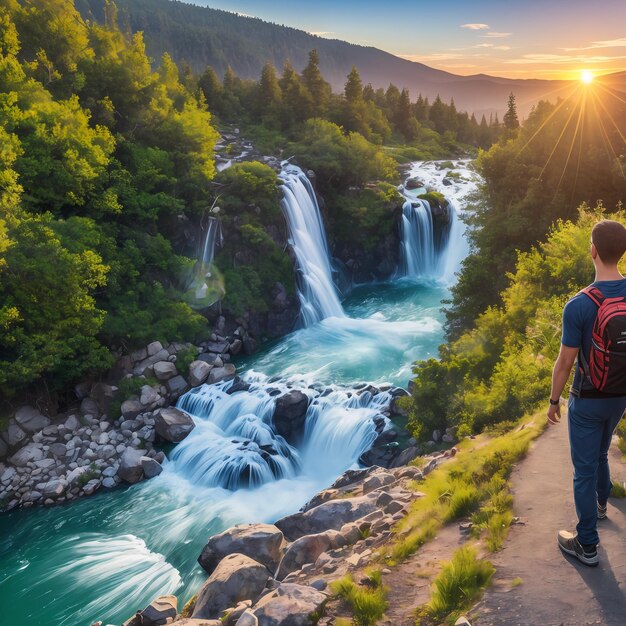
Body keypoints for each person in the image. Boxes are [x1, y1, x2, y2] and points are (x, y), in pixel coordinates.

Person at [547, 219, 626, 567]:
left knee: (583, 468)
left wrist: (553, 401)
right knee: (600, 452)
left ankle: (588, 545)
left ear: (592, 251)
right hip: (621, 397)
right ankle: (600, 505)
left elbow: (565, 362)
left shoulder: (578, 304)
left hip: (588, 398)